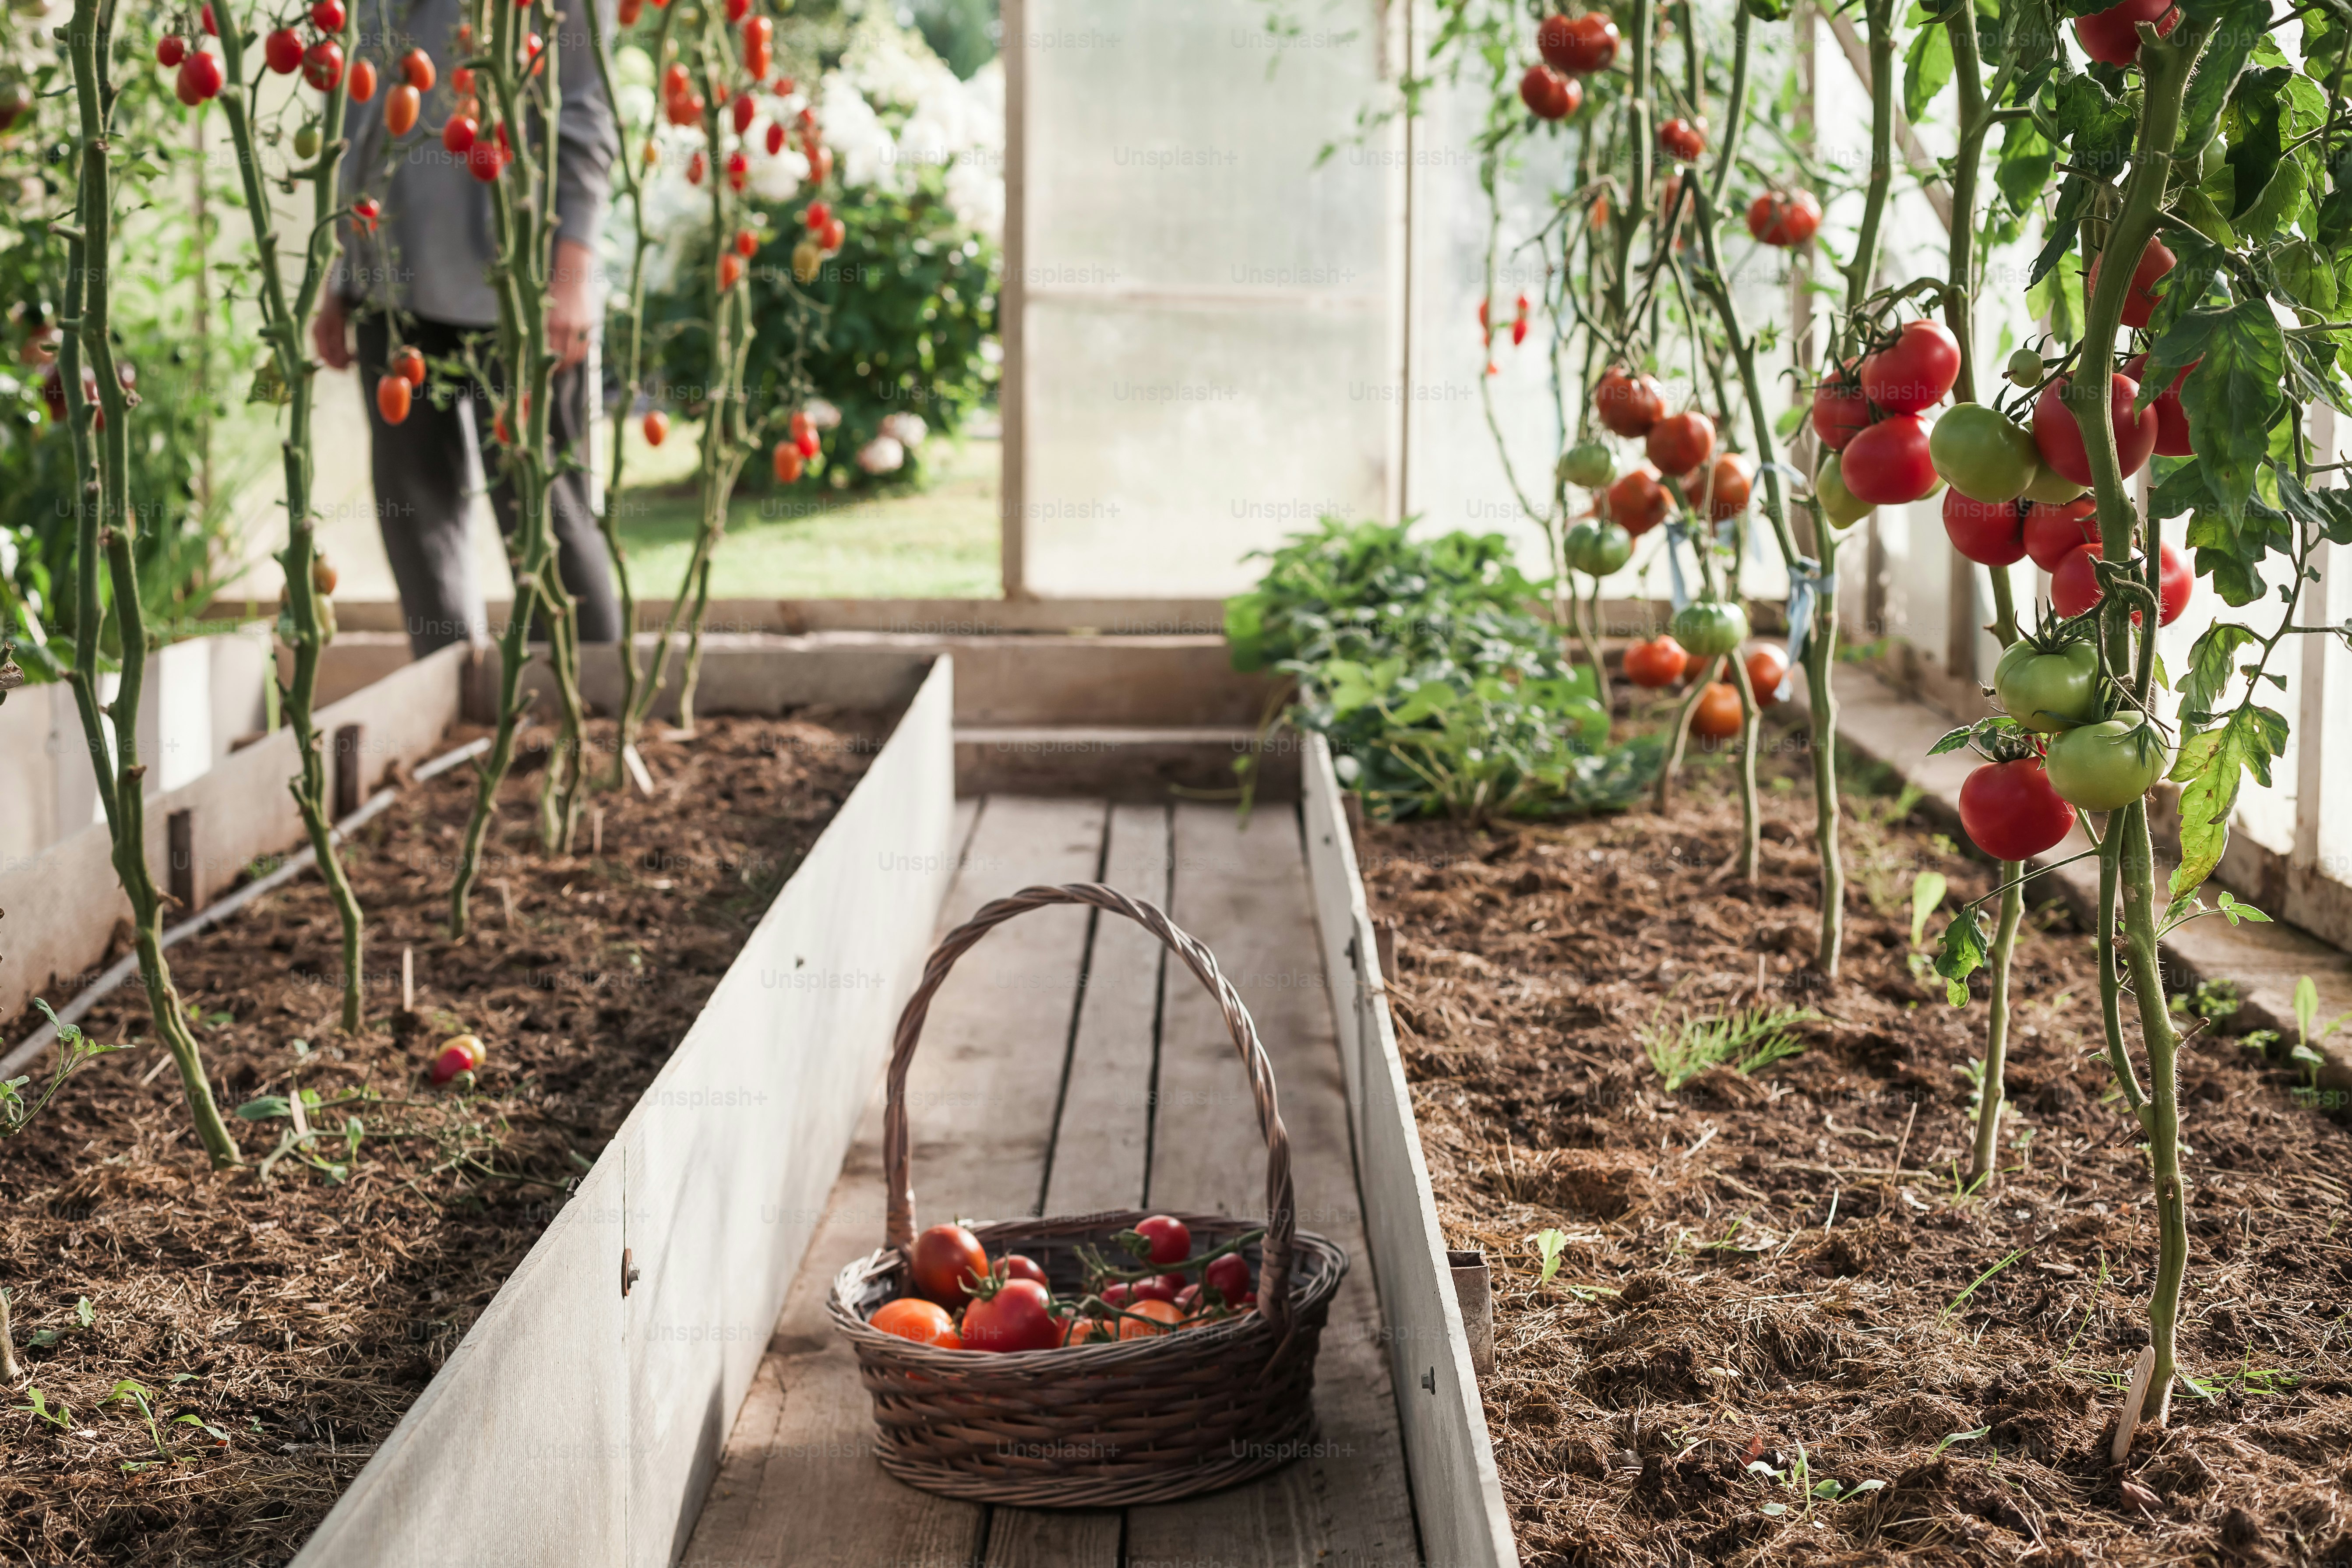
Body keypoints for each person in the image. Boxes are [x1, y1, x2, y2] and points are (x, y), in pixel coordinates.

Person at [315, 0, 623, 659]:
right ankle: (454, 712)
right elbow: (358, 112)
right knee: (418, 524)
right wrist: (342, 270)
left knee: (548, 519)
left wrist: (572, 273)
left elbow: (585, 109)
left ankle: (589, 716)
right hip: (390, 290)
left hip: (519, 292)